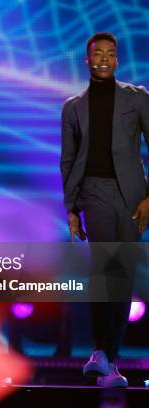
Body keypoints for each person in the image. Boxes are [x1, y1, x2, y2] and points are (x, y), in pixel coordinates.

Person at [60, 32, 149, 387]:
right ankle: (101, 352)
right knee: (103, 270)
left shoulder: (138, 99)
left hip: (131, 197)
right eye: (98, 53)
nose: (104, 59)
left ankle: (109, 358)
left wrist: (148, 198)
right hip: (93, 194)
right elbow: (67, 160)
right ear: (87, 59)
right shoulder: (72, 107)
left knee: (121, 277)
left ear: (117, 60)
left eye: (111, 54)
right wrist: (70, 208)